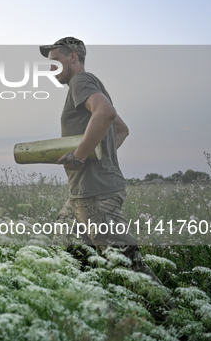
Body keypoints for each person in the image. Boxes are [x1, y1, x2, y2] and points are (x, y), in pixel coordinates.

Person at [39, 37, 162, 284]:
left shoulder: (80, 81)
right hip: (80, 196)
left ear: (72, 57)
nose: (51, 68)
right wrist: (96, 152)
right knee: (64, 258)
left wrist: (79, 156)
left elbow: (106, 113)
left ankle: (173, 319)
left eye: (55, 61)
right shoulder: (90, 86)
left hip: (96, 194)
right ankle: (90, 310)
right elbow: (121, 130)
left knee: (127, 267)